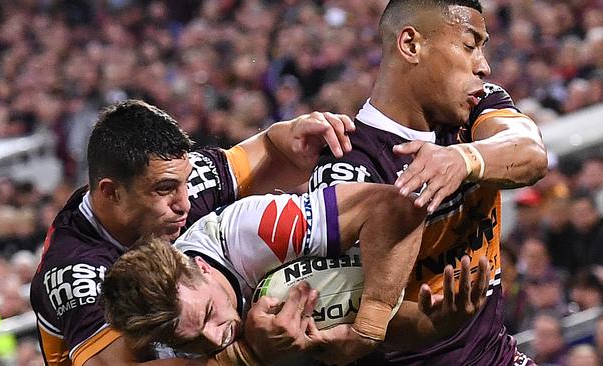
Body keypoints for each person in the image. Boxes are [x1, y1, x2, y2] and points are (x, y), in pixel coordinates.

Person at [29, 99, 357, 366]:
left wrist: (296, 133)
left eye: (186, 180)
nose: (184, 203)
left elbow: (272, 150)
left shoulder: (176, 178)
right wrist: (247, 354)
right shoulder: (76, 274)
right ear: (111, 192)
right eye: (165, 189)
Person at [309, 0, 547, 364]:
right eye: (470, 46)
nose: (483, 66)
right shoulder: (348, 164)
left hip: (497, 355)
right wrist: (429, 322)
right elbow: (342, 306)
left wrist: (463, 159)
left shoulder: (475, 111)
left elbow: (530, 152)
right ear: (411, 45)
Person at [100, 182, 490, 363]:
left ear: (200, 268)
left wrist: (368, 330)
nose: (214, 337)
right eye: (192, 341)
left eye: (206, 315)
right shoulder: (165, 335)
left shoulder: (254, 232)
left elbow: (397, 206)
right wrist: (249, 356)